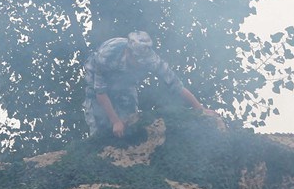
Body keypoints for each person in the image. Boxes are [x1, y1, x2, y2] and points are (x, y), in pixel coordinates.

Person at [82, 30, 219, 139]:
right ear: (129, 52)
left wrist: (199, 109)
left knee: (129, 122)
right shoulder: (106, 55)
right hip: (96, 83)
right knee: (100, 127)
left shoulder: (150, 59)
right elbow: (100, 93)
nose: (142, 64)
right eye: (138, 60)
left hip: (125, 84)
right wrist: (115, 121)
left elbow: (175, 84)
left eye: (144, 60)